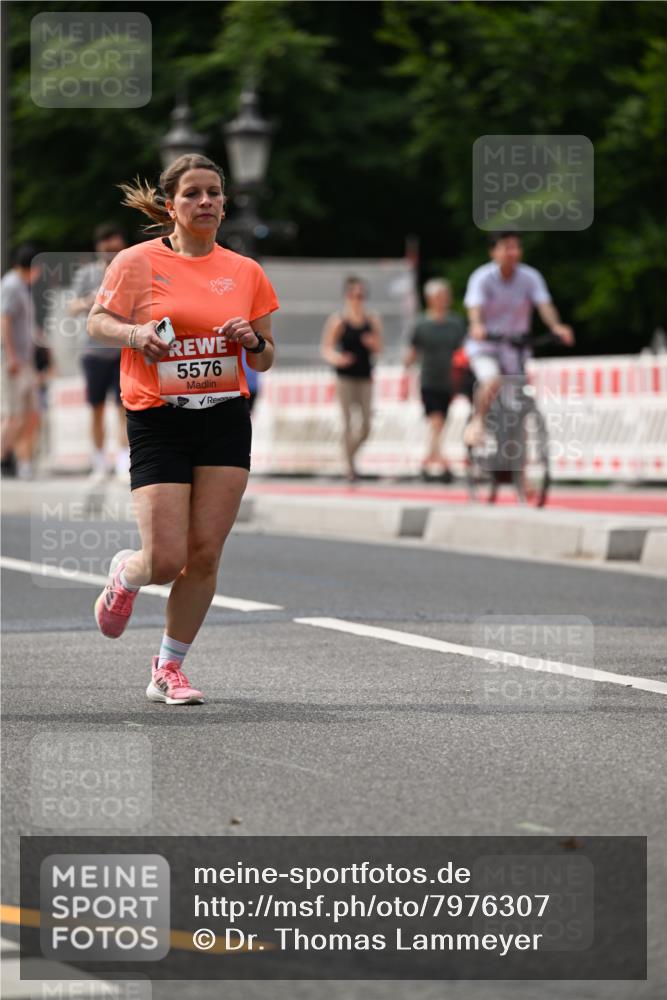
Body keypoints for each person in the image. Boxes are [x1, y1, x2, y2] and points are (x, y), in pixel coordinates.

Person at [87, 153, 278, 705]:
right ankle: (127, 574)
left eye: (214, 193)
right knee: (165, 559)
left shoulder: (245, 271)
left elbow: (266, 358)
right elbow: (98, 321)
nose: (206, 203)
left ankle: (168, 668)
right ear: (170, 205)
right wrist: (137, 335)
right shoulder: (135, 262)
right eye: (193, 193)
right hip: (158, 419)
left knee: (206, 555)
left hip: (223, 418)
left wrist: (251, 342)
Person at [463, 231, 574, 445]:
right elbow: (474, 307)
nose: (513, 252)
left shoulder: (530, 277)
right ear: (493, 252)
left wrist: (556, 326)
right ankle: (478, 421)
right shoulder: (482, 277)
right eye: (507, 247)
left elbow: (544, 304)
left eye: (516, 247)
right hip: (487, 345)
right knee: (491, 380)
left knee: (520, 404)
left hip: (515, 348)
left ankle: (519, 473)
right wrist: (477, 325)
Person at [68, 223, 129, 481]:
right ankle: (99, 461)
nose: (112, 255)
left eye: (116, 249)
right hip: (93, 352)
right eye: (107, 250)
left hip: (122, 351)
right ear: (99, 249)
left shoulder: (130, 272)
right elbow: (71, 307)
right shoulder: (87, 274)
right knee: (97, 408)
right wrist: (94, 298)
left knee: (124, 408)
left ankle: (124, 460)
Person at [320, 276, 383, 482]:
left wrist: (371, 343)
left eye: (361, 295)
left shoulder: (371, 320)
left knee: (366, 425)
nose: (358, 299)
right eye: (354, 295)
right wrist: (338, 359)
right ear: (347, 296)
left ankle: (350, 455)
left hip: (365, 376)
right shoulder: (339, 321)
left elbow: (379, 349)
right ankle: (349, 468)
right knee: (347, 422)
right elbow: (327, 349)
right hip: (345, 377)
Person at [402, 278, 465, 481]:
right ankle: (441, 459)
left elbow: (463, 349)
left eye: (445, 297)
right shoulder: (421, 324)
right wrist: (406, 366)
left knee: (440, 421)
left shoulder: (455, 323)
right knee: (435, 419)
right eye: (438, 297)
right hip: (429, 378)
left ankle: (429, 459)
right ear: (430, 299)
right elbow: (413, 350)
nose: (442, 301)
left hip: (450, 379)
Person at [1, 245, 42, 479]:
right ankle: (4, 456)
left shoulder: (23, 288)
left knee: (32, 413)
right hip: (13, 359)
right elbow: (4, 321)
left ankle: (22, 460)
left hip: (26, 359)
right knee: (13, 415)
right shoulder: (10, 285)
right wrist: (11, 356)